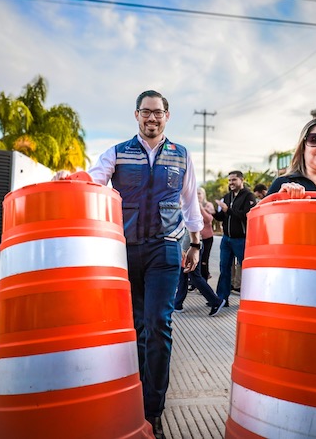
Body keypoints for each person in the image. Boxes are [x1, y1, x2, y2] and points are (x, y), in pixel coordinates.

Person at [84, 90, 203, 439]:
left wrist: (195, 243)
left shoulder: (181, 155)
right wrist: (71, 179)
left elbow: (190, 203)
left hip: (165, 249)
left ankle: (153, 411)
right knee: (135, 328)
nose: (152, 118)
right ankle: (134, 400)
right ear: (136, 115)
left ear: (167, 116)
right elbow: (92, 182)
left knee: (158, 325)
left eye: (158, 112)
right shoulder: (117, 153)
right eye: (146, 112)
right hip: (124, 251)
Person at [213, 170, 257, 307]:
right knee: (224, 268)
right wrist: (213, 213)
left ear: (241, 180)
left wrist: (228, 210)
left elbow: (247, 216)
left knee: (246, 269)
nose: (231, 183)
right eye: (229, 180)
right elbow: (223, 217)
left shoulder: (249, 196)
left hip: (241, 240)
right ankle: (222, 299)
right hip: (226, 239)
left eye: (234, 180)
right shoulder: (227, 197)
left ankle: (251, 298)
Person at [174, 231, 226, 316]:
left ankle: (216, 301)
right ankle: (177, 304)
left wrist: (183, 249)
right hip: (190, 247)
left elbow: (189, 230)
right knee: (183, 276)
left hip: (190, 248)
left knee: (194, 277)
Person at [197, 187, 215, 282]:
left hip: (207, 238)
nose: (197, 195)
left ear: (204, 195)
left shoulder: (208, 205)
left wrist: (201, 208)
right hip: (195, 237)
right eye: (196, 193)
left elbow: (208, 220)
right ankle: (195, 282)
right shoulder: (192, 205)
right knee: (196, 260)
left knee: (204, 260)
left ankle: (204, 280)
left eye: (199, 193)